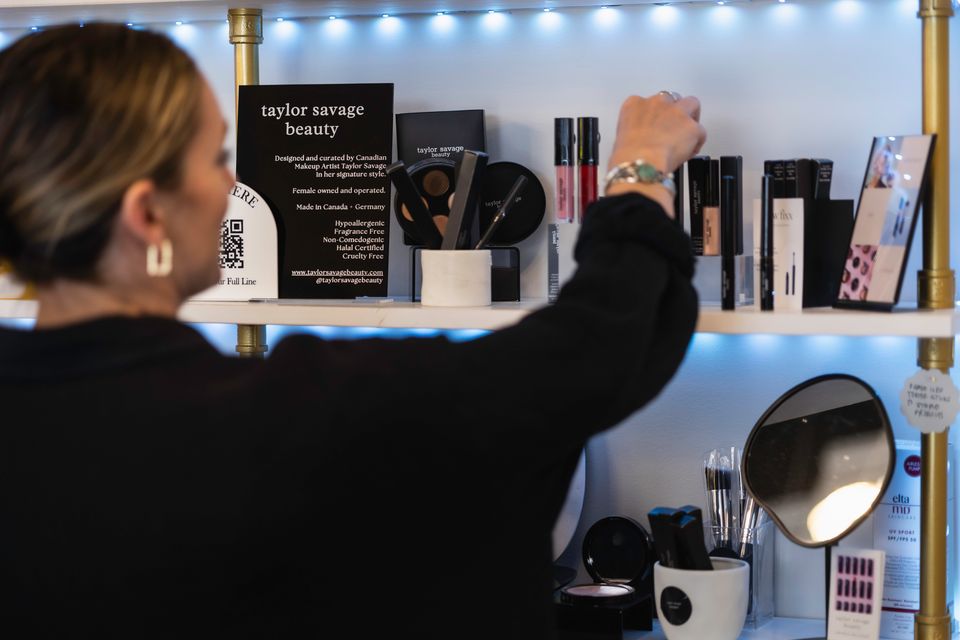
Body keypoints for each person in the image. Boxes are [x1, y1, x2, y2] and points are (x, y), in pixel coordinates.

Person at [0, 24, 704, 639]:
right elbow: (596, 346)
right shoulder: (298, 417)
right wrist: (638, 169)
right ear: (147, 215)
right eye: (216, 158)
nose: (232, 186)